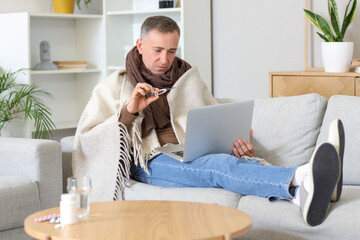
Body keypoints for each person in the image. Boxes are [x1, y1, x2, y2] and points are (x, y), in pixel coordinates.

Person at [73, 16, 344, 227]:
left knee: (228, 161)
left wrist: (236, 143)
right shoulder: (115, 85)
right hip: (148, 161)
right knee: (218, 166)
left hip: (188, 153)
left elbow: (212, 120)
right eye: (157, 50)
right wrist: (130, 111)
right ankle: (303, 174)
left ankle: (299, 196)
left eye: (171, 50)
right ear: (140, 45)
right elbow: (90, 137)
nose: (165, 59)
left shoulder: (187, 78)